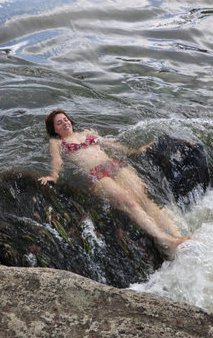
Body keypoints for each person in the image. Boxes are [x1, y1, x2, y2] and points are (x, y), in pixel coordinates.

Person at [38, 109, 188, 257]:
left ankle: (177, 237)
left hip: (113, 165)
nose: (64, 123)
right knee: (128, 202)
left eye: (65, 119)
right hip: (96, 174)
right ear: (54, 129)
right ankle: (163, 239)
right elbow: (57, 160)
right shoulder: (56, 142)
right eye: (59, 123)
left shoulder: (86, 133)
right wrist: (54, 176)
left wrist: (133, 151)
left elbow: (110, 144)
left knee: (145, 200)